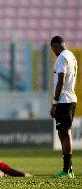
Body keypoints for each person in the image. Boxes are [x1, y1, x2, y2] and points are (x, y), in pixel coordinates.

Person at [50, 36, 77, 178]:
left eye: (53, 49)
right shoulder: (72, 56)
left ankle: (67, 171)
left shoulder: (61, 58)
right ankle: (69, 168)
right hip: (71, 99)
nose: (53, 52)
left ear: (55, 46)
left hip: (64, 100)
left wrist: (54, 103)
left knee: (65, 133)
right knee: (63, 132)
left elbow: (60, 81)